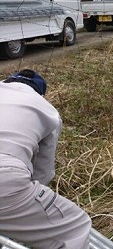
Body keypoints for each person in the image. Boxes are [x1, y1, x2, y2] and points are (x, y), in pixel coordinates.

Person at [0, 69, 92, 248]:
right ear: (41, 94)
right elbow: (43, 173)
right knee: (75, 228)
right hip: (5, 178)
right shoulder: (47, 110)